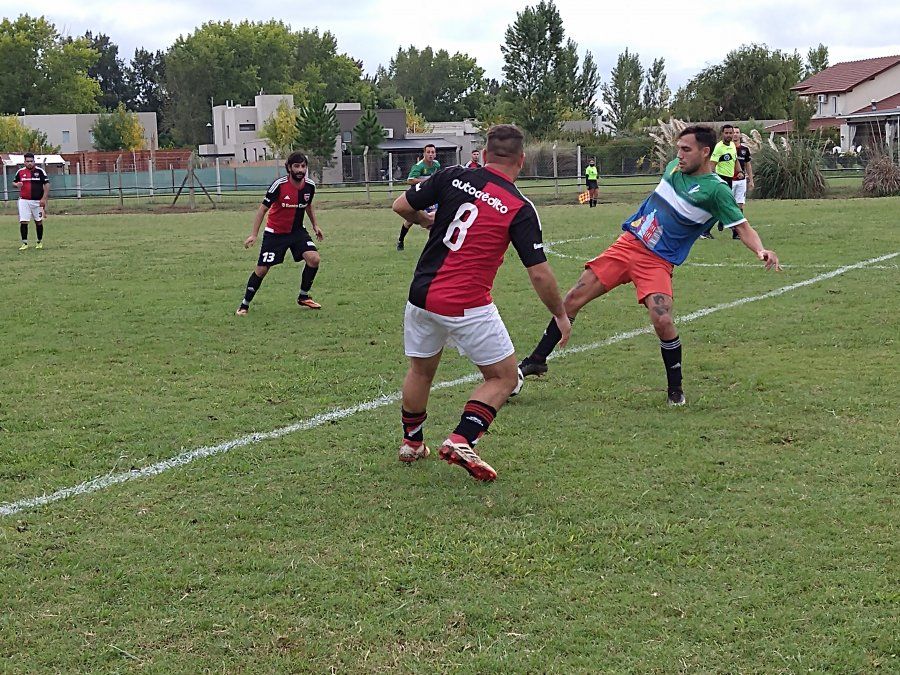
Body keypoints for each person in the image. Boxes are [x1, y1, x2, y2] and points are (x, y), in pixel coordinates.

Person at [518, 125, 780, 407]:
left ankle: (675, 390)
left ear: (705, 152)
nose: (679, 155)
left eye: (686, 149)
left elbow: (742, 227)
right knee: (571, 300)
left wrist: (760, 249)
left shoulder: (716, 191)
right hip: (628, 245)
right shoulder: (674, 167)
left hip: (657, 261)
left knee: (663, 320)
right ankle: (537, 360)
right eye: (678, 148)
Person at [392, 124, 570, 481]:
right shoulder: (519, 206)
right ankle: (462, 438)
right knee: (504, 377)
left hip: (421, 295)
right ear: (521, 160)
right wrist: (560, 314)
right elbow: (539, 273)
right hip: (466, 303)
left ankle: (412, 443)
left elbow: (401, 205)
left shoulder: (452, 175)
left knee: (420, 370)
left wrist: (424, 220)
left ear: (485, 155)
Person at [236, 152, 324, 316]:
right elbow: (262, 209)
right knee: (262, 270)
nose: (300, 170)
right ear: (289, 168)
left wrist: (315, 225)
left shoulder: (310, 186)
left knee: (314, 259)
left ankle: (304, 296)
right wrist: (254, 235)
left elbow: (308, 205)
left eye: (303, 166)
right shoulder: (279, 185)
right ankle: (244, 305)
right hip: (275, 233)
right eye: (296, 166)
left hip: (297, 232)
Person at [396, 144, 440, 251]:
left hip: (430, 197)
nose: (430, 154)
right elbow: (410, 180)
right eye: (428, 152)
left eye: (432, 152)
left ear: (435, 154)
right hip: (418, 196)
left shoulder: (436, 164)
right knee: (409, 221)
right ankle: (401, 240)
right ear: (424, 153)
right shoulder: (418, 166)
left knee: (434, 219)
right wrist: (427, 181)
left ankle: (433, 247)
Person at [701, 124, 737, 239]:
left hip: (729, 179)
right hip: (721, 179)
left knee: (722, 207)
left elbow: (735, 160)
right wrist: (713, 180)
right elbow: (712, 165)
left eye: (730, 133)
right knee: (727, 206)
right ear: (722, 134)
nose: (729, 135)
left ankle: (711, 228)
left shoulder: (732, 145)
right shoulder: (719, 147)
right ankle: (735, 232)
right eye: (726, 133)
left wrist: (740, 171)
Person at [13, 152, 49, 250]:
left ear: (34, 161)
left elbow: (46, 184)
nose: (29, 163)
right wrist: (16, 185)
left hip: (37, 201)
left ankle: (39, 241)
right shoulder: (20, 172)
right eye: (27, 161)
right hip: (24, 201)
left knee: (38, 221)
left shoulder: (40, 172)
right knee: (23, 221)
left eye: (31, 161)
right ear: (24, 162)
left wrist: (44, 198)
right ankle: (24, 243)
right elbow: (14, 182)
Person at [730, 126, 753, 240]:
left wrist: (751, 180)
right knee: (727, 204)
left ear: (740, 135)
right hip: (729, 180)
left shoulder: (744, 149)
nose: (735, 134)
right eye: (733, 132)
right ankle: (707, 230)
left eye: (737, 132)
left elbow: (748, 164)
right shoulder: (726, 148)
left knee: (739, 205)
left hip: (741, 181)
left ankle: (736, 232)